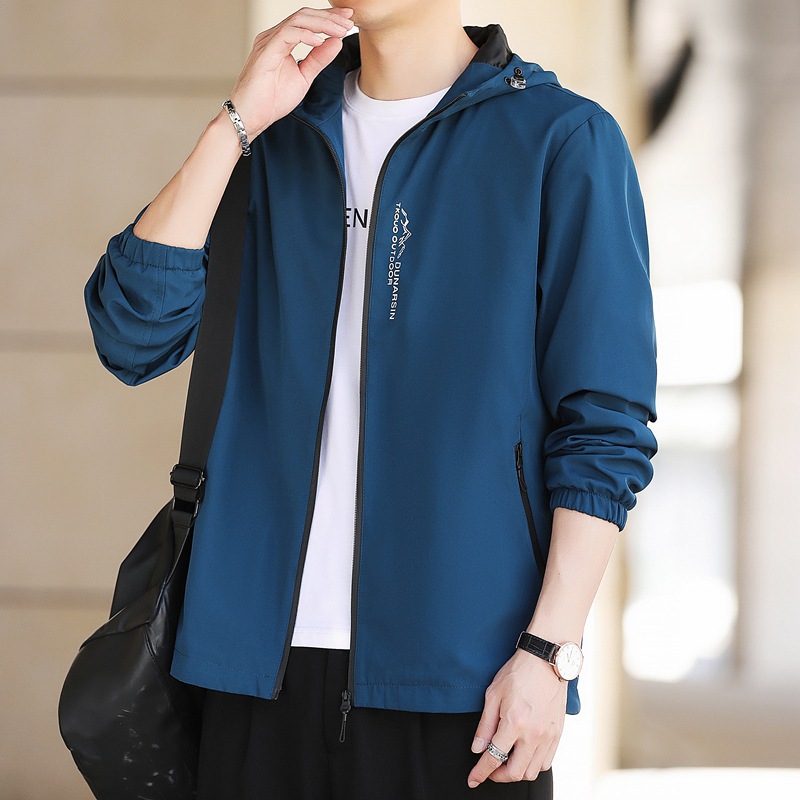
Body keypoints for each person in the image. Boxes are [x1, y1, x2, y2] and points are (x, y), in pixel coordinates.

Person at [85, 2, 658, 797]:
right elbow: (132, 335)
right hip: (249, 667)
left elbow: (604, 428)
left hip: (465, 679)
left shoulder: (560, 138)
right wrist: (233, 124)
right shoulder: (273, 137)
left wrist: (549, 652)